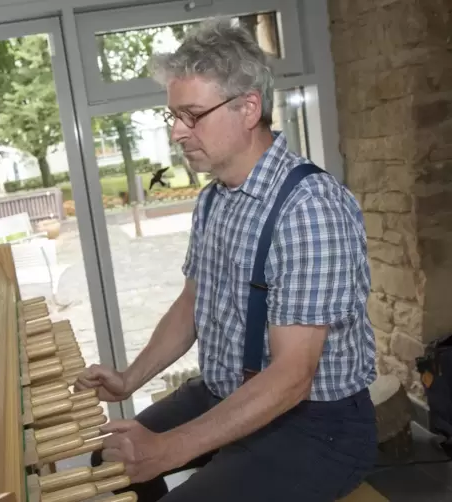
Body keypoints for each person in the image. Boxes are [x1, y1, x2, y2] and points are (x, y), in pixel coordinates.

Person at [75, 20, 377, 502]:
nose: (176, 131)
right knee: (107, 462)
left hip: (317, 427)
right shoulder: (215, 199)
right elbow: (192, 302)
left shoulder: (311, 207)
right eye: (172, 115)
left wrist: (169, 448)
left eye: (191, 114)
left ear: (248, 108)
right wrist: (128, 378)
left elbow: (292, 377)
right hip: (226, 392)